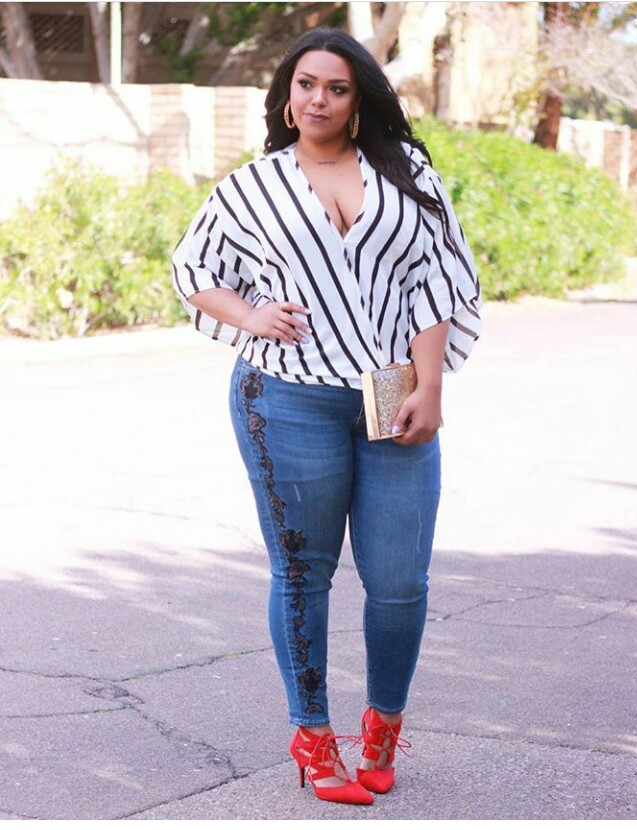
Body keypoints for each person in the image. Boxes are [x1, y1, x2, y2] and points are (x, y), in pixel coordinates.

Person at [172, 26, 482, 806]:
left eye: (337, 88)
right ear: (286, 96)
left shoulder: (405, 172)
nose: (318, 99)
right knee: (303, 573)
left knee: (399, 580)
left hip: (392, 392)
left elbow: (435, 281)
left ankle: (382, 727)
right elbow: (193, 269)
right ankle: (312, 737)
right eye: (306, 84)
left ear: (357, 100)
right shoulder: (251, 187)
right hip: (287, 397)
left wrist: (430, 386)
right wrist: (250, 315)